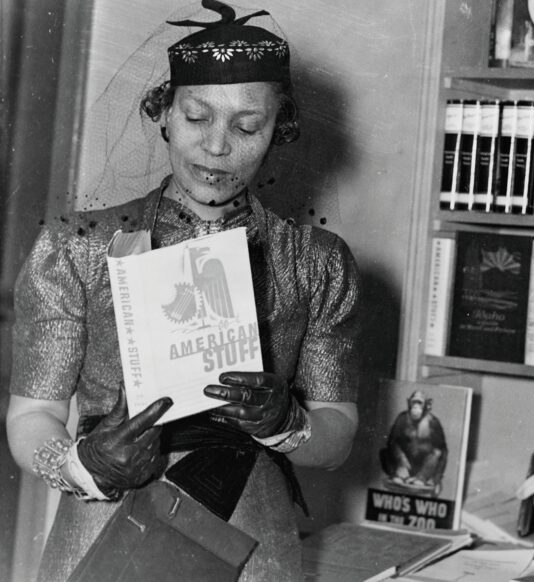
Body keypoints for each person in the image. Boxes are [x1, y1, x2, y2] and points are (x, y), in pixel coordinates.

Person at [6, 2, 361, 581]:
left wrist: (287, 423)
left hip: (251, 536)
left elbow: (336, 434)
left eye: (247, 127)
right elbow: (33, 415)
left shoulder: (316, 262)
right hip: (106, 523)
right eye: (197, 118)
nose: (217, 147)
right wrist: (80, 464)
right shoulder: (76, 248)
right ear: (164, 113)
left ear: (278, 130)